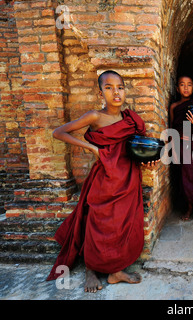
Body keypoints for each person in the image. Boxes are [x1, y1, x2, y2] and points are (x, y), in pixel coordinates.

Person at [46, 70, 158, 293]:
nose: (115, 92)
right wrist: (93, 148)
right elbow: (59, 133)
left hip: (128, 177)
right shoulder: (95, 117)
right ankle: (91, 269)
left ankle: (116, 271)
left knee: (122, 223)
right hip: (105, 177)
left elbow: (139, 147)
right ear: (101, 93)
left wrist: (147, 161)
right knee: (99, 223)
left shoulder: (131, 118)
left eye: (120, 87)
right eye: (109, 87)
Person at [169, 75, 193, 220]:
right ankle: (190, 207)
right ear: (177, 88)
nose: (186, 87)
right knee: (186, 175)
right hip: (181, 145)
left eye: (189, 84)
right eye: (182, 85)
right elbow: (172, 128)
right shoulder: (174, 107)